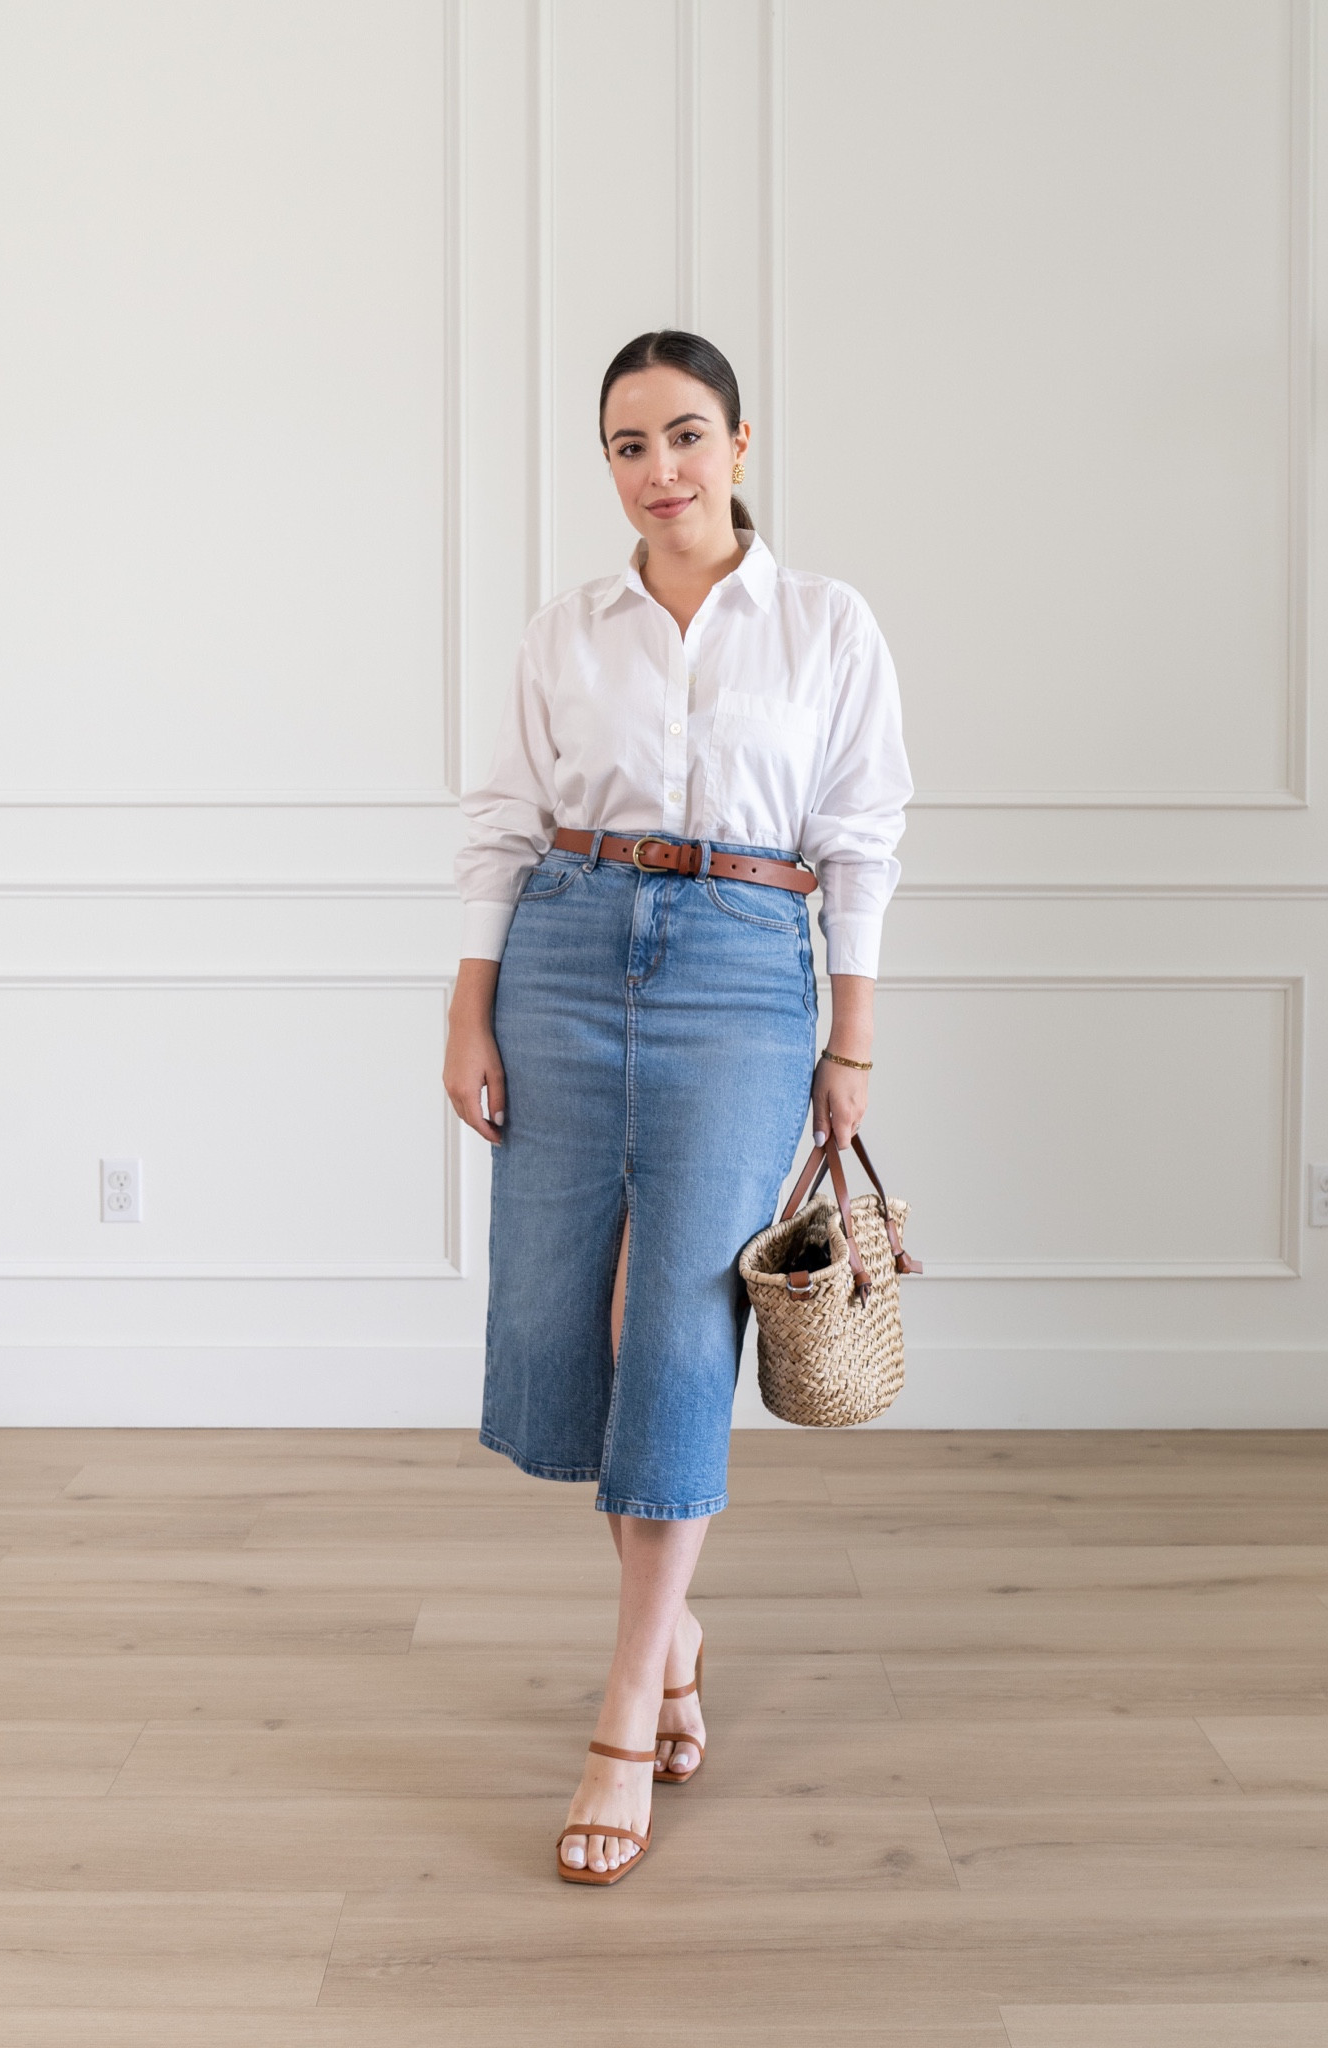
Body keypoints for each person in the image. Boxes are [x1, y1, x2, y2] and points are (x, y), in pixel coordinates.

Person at [444, 329, 912, 1884]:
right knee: (566, 1322)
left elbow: (862, 836)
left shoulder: (826, 624)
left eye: (687, 434)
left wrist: (850, 1045)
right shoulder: (566, 632)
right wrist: (467, 1010)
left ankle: (626, 1705)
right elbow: (502, 821)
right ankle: (680, 1634)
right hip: (565, 953)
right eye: (629, 445)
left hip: (740, 964)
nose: (660, 470)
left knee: (678, 1330)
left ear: (741, 442)